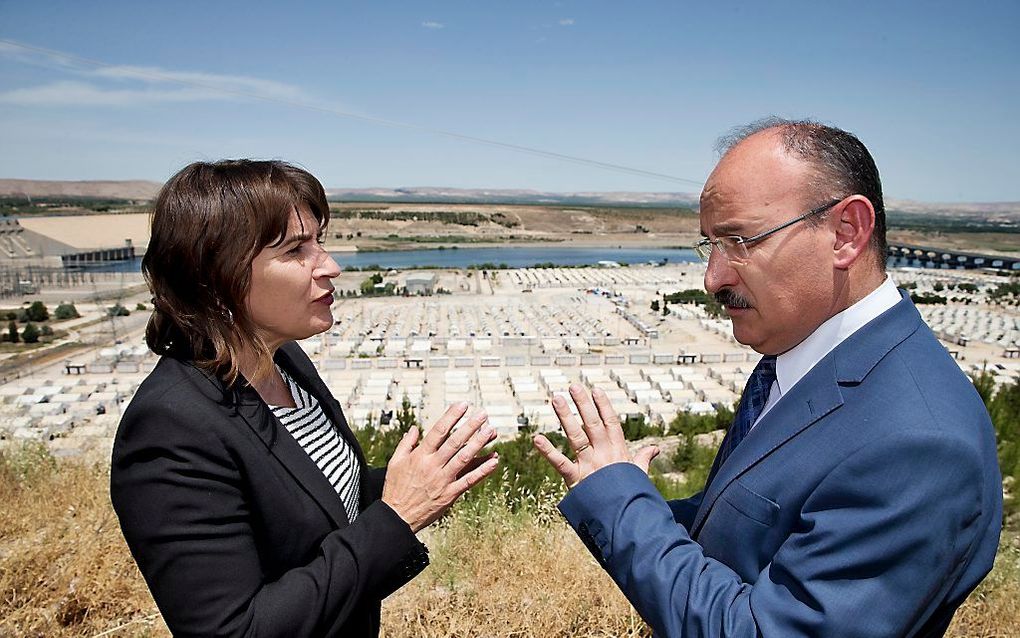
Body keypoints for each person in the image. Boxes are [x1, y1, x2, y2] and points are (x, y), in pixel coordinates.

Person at [534, 119, 1002, 637]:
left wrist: (619, 501)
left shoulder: (918, 444)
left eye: (740, 240)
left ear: (846, 233)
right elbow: (746, 526)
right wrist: (621, 495)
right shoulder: (803, 354)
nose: (713, 278)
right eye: (710, 245)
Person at [111, 160, 499, 637]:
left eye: (320, 241)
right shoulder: (172, 428)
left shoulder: (284, 362)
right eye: (297, 249)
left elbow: (314, 499)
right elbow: (234, 630)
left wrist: (425, 481)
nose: (331, 266)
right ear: (217, 274)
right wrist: (399, 516)